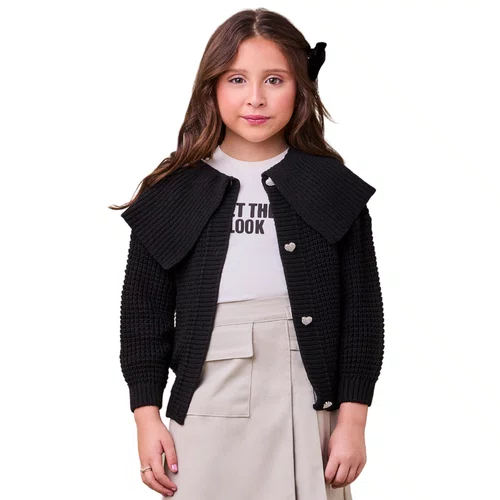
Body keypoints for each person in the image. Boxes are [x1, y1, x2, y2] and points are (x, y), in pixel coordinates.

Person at [110, 7, 385, 500]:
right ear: (212, 87)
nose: (255, 97)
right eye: (237, 79)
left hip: (309, 398)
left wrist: (353, 419)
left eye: (274, 80)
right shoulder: (172, 193)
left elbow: (362, 315)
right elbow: (142, 316)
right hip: (208, 400)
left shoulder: (331, 187)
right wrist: (146, 417)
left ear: (301, 88)